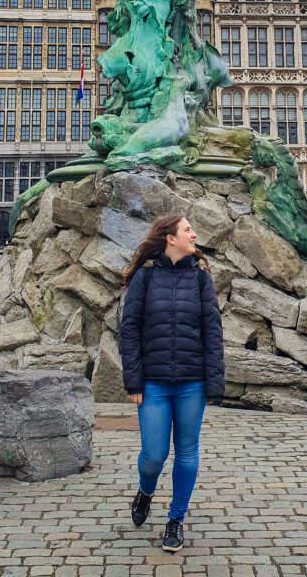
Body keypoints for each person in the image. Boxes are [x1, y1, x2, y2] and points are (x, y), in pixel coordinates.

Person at [119, 213, 224, 553]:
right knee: (153, 454)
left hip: (192, 382)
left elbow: (213, 331)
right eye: (187, 229)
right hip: (153, 383)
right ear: (170, 237)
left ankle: (175, 520)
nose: (194, 234)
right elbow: (129, 330)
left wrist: (214, 382)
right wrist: (133, 381)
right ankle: (145, 491)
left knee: (188, 452)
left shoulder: (201, 278)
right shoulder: (146, 277)